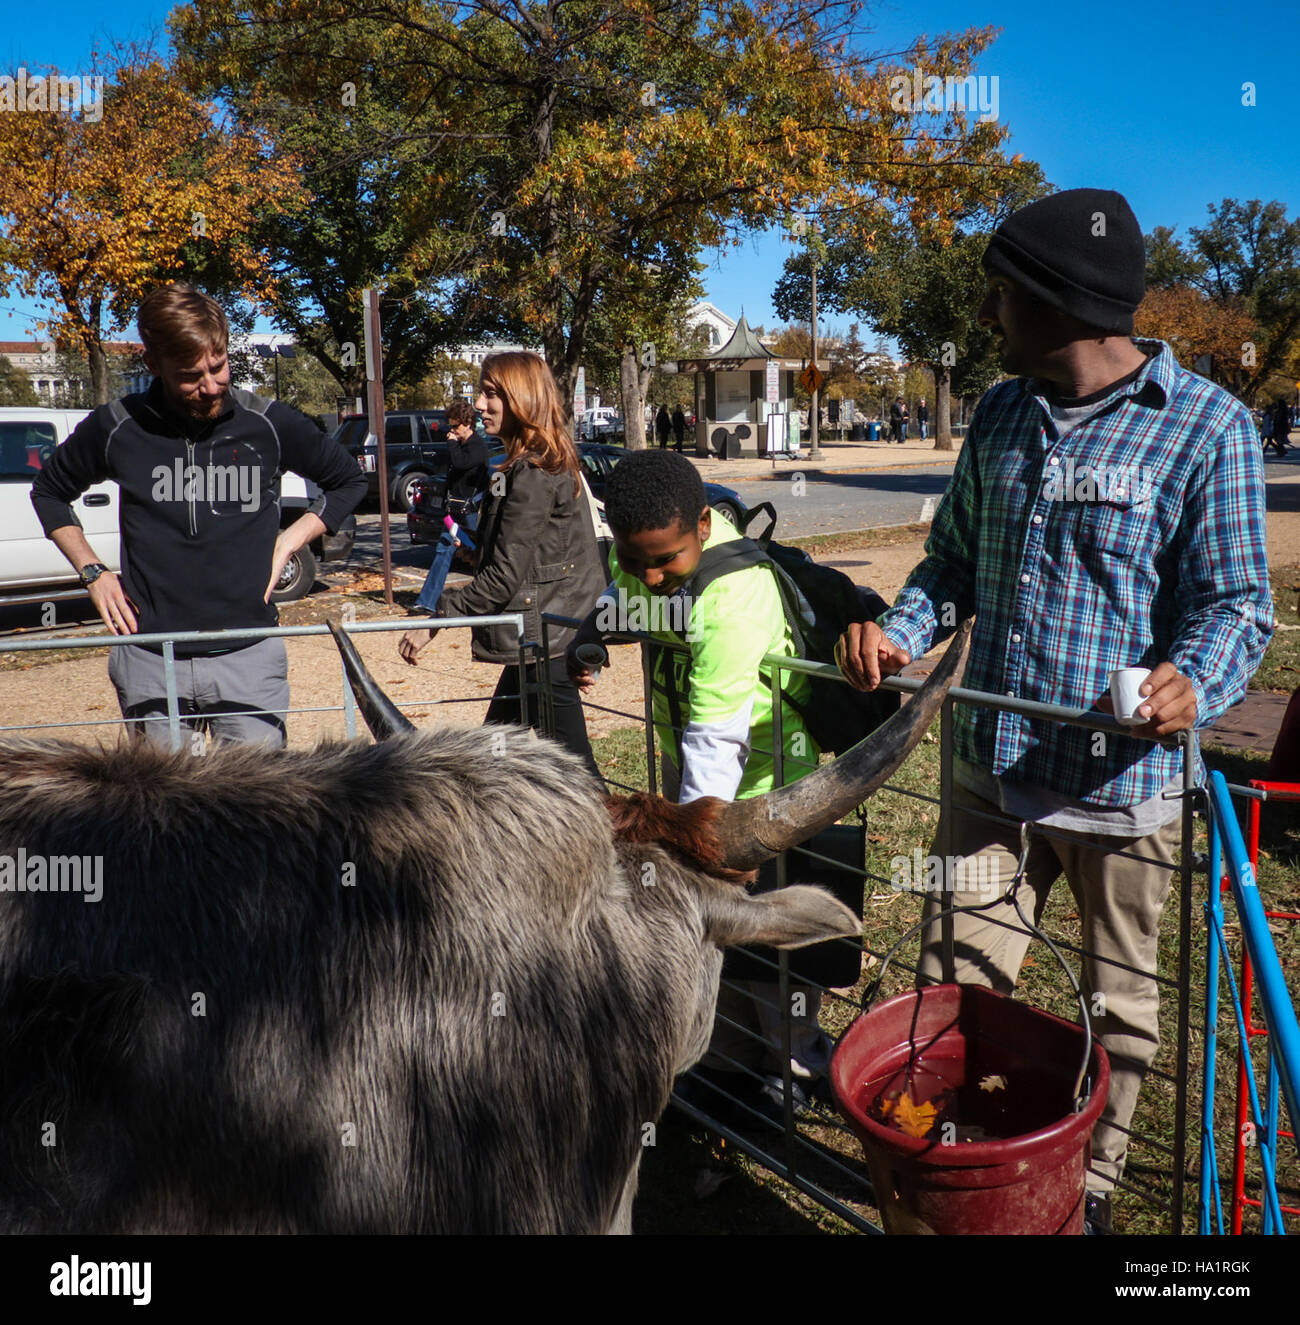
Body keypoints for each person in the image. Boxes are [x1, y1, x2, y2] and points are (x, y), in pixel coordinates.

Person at [837, 188, 1274, 1233]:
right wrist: (901, 628)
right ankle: (952, 1175)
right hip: (988, 769)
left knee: (1116, 1016)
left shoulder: (1206, 426)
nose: (988, 314)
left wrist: (1190, 677)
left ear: (1059, 301)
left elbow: (1238, 604)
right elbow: (951, 562)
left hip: (1122, 791)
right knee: (953, 988)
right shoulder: (997, 412)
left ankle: (1084, 1199)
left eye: (1001, 294)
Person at [565, 449, 832, 1117]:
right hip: (699, 790)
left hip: (766, 795)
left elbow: (718, 738)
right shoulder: (647, 566)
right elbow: (619, 603)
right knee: (720, 943)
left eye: (667, 560)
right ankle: (729, 1057)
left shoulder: (735, 593)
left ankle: (796, 1065)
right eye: (635, 559)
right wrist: (591, 643)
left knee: (772, 951)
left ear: (704, 527)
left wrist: (689, 841)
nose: (651, 576)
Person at [30, 282, 366, 747]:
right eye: (191, 375)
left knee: (256, 815)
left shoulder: (268, 422)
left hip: (249, 655)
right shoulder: (116, 426)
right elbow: (48, 492)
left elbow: (348, 480)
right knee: (160, 817)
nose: (210, 386)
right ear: (153, 364)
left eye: (219, 366)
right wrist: (93, 572)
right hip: (150, 658)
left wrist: (291, 539)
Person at [398, 352, 605, 773]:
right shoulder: (531, 464)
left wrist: (432, 618)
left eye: (492, 394)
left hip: (543, 644)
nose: (478, 403)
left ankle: (612, 838)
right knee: (493, 760)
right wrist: (474, 551)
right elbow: (531, 558)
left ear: (521, 399)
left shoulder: (534, 471)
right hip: (539, 638)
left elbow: (504, 578)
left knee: (571, 779)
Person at [412, 400, 491, 615]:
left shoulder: (477, 447)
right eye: (450, 427)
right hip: (454, 511)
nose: (451, 431)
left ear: (467, 424)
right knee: (443, 551)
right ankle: (426, 601)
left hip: (471, 512)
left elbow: (461, 463)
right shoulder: (461, 445)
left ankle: (486, 600)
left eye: (455, 426)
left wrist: (452, 444)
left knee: (479, 556)